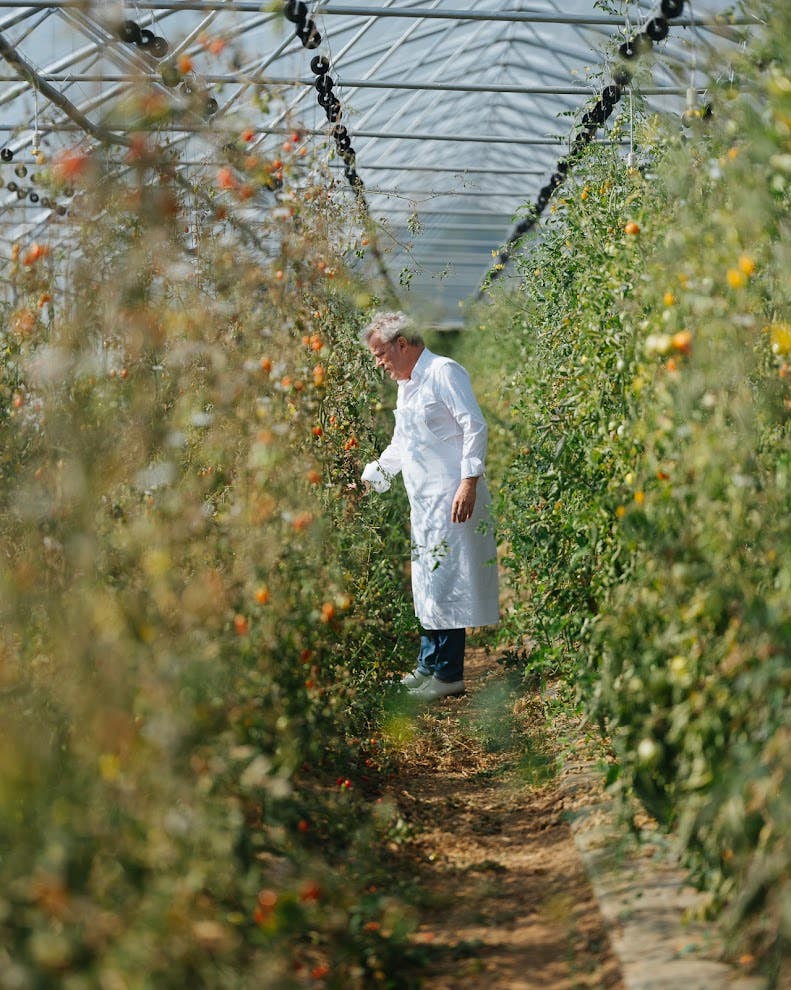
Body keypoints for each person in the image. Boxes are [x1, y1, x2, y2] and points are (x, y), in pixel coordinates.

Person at [360, 311, 499, 700]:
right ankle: (428, 666)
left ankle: (449, 674)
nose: (380, 364)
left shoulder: (443, 372)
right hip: (424, 501)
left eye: (380, 354)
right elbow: (403, 444)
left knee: (447, 578)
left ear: (401, 344)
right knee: (429, 581)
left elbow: (474, 425)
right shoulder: (409, 385)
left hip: (453, 498)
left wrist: (468, 482)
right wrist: (373, 479)